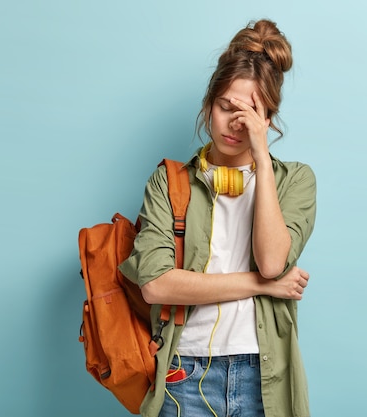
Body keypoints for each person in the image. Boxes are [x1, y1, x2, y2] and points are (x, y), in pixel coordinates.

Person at [118, 19, 316, 417]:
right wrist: (263, 286)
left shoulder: (295, 180)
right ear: (209, 103)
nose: (236, 123)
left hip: (263, 375)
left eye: (251, 113)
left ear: (268, 119)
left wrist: (261, 157)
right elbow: (155, 285)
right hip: (183, 373)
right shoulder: (169, 182)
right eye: (227, 107)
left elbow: (273, 261)